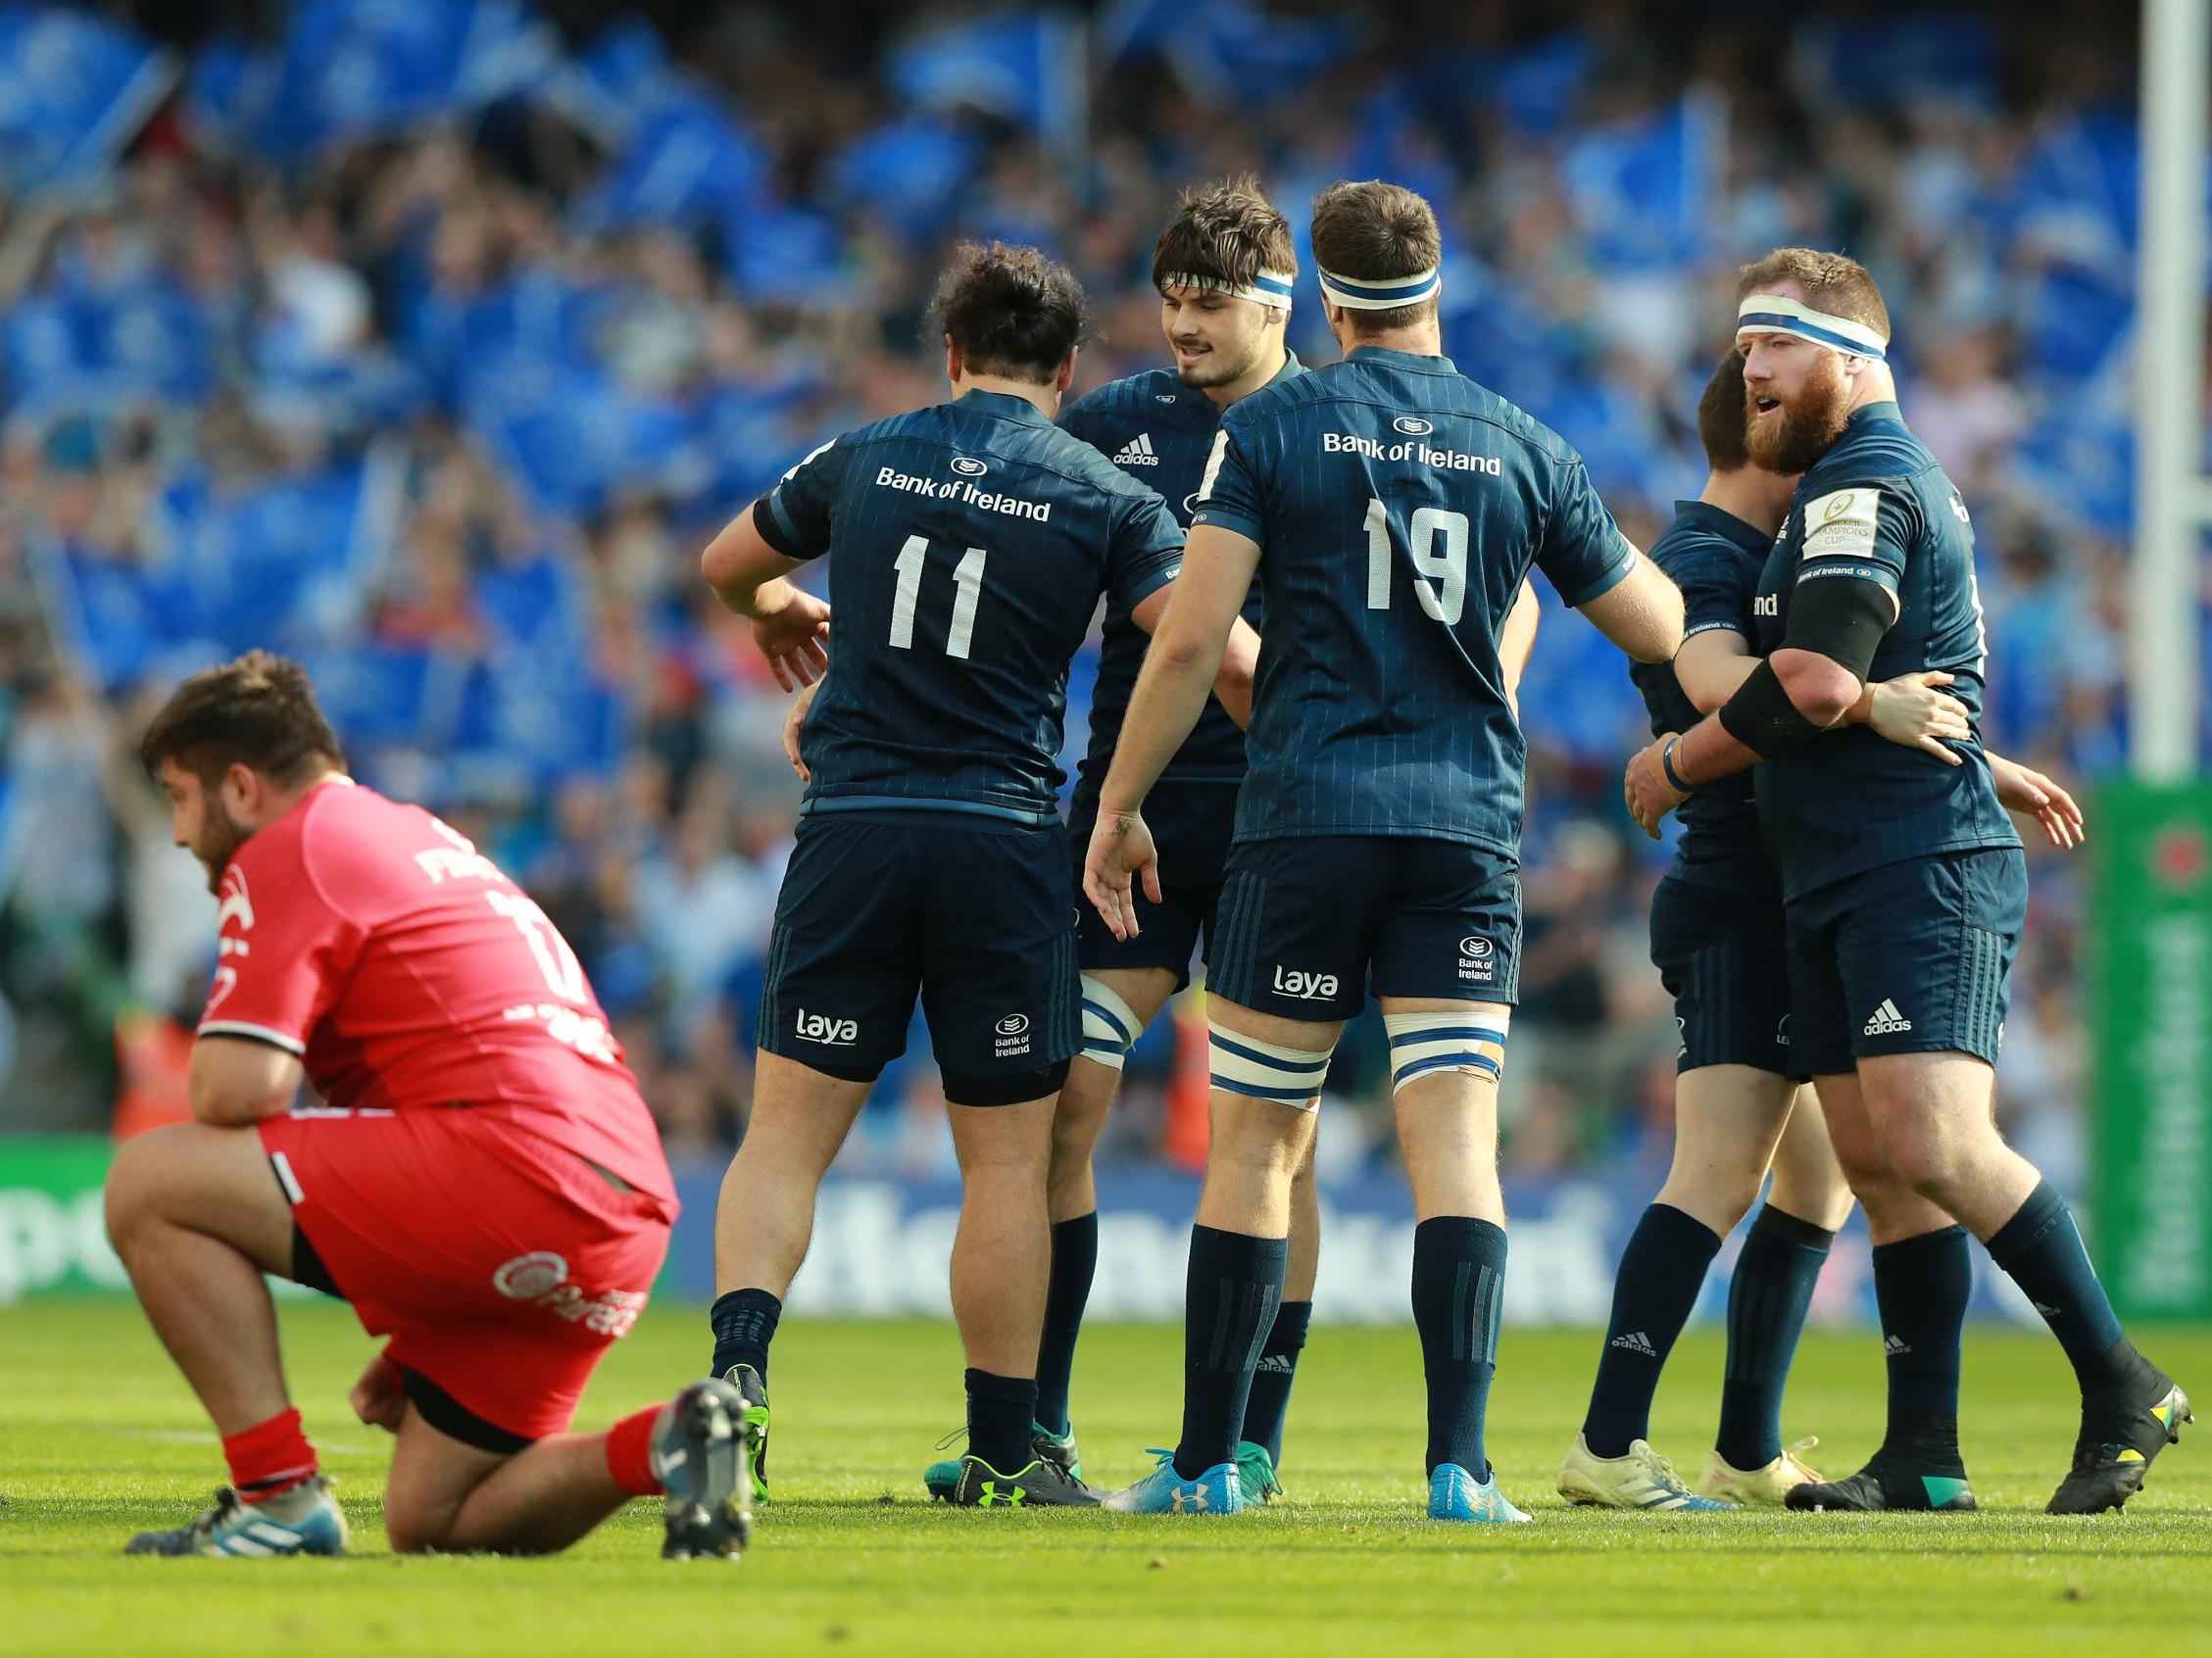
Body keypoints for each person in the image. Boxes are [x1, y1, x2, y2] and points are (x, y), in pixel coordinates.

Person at [913, 176, 1540, 1507]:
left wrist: (1478, 687)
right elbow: (1018, 562)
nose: (1183, 327)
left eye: (1210, 306)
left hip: (1287, 813)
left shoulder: (1330, 427)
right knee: (1069, 1093)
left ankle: (1248, 1439)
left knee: (1282, 1128)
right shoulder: (1113, 426)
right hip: (1139, 822)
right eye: (1171, 303)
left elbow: (1499, 592)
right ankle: (1041, 1430)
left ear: (1280, 308)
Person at [1083, 179, 1685, 1522]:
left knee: (1254, 1143)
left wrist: (1121, 799)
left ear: (1321, 293)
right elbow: (1653, 619)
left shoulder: (1277, 424)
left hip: (1304, 819)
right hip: (1462, 830)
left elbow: (1187, 640)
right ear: (1436, 283)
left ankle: (1202, 1470)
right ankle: (1460, 1471)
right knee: (1455, 1145)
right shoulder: (1521, 440)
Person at [1624, 249, 2188, 1513]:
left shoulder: (1863, 482)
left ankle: (2122, 1383)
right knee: (1879, 1164)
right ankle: (1924, 1460)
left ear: (1852, 359)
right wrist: (1963, 750)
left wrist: (1677, 759)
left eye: (1773, 343)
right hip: (1843, 866)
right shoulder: (1839, 487)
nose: (1748, 368)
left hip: (1909, 869)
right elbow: (1873, 692)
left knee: (1934, 1139)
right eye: (1742, 344)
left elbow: (1820, 685)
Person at [699, 241, 1256, 1510]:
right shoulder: (1106, 496)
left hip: (852, 826)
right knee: (1005, 1163)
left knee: (784, 1137)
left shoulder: (865, 453)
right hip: (1001, 840)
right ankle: (1008, 1448)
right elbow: (1211, 652)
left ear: (948, 354)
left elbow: (726, 565)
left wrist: (783, 610)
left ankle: (735, 1388)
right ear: (1067, 368)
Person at [1563, 352, 2087, 1512]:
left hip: (1789, 887)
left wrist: (1968, 756)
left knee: (1825, 1187)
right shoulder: (1704, 558)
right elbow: (1737, 696)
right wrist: (1870, 700)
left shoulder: (1761, 548)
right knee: (1720, 1171)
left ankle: (1746, 1451)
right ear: (1763, 443)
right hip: (1740, 892)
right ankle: (1605, 1443)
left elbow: (1826, 693)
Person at [110, 652, 748, 1559]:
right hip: (623, 1204)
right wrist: (426, 1321)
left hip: (515, 1169)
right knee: (433, 1519)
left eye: (179, 796)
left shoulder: (295, 844)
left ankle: (278, 1499)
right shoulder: (414, 833)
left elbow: (236, 1089)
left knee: (149, 1183)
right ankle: (671, 1441)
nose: (178, 832)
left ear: (241, 787)